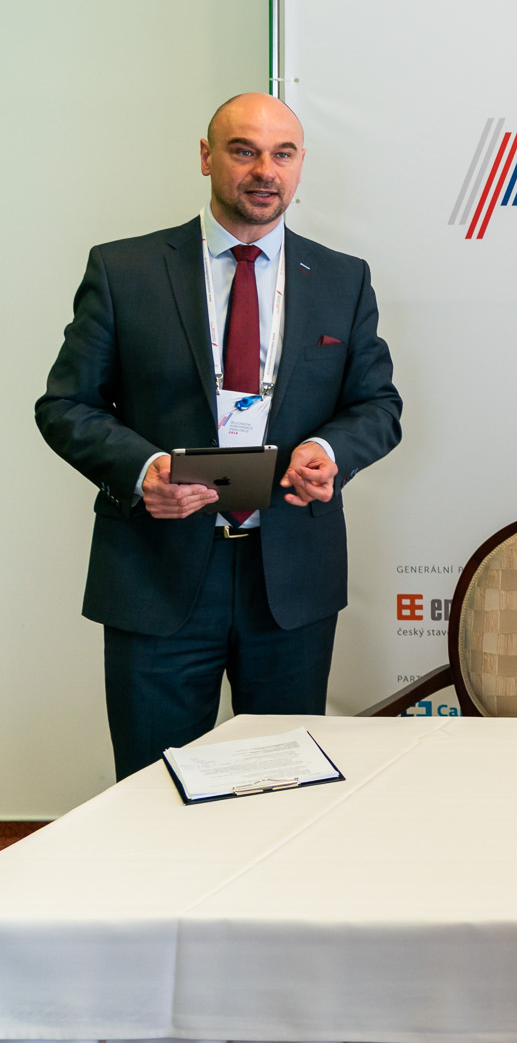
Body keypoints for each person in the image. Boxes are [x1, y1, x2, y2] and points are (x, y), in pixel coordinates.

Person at [37, 93, 401, 780]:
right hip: (157, 574)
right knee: (153, 788)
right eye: (243, 151)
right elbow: (65, 405)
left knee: (286, 789)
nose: (265, 170)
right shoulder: (124, 271)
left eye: (282, 154)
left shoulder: (343, 279)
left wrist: (328, 452)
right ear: (207, 157)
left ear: (300, 164)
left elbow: (377, 405)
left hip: (289, 577)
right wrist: (143, 468)